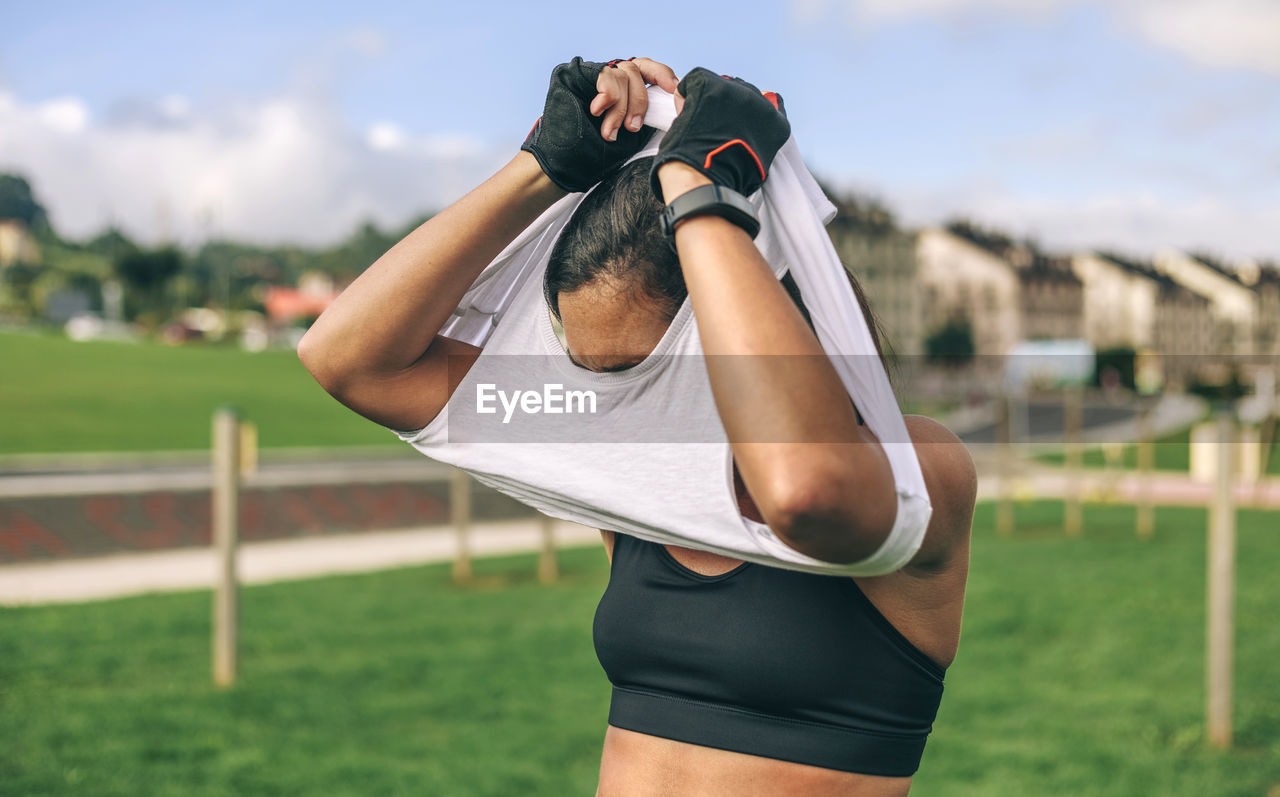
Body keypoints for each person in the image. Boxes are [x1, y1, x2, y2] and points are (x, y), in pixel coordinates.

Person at [299, 56, 976, 796]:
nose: (613, 399)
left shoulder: (920, 472)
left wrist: (699, 193)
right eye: (597, 372)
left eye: (638, 370)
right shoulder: (648, 469)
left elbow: (803, 489)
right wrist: (546, 165)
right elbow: (351, 361)